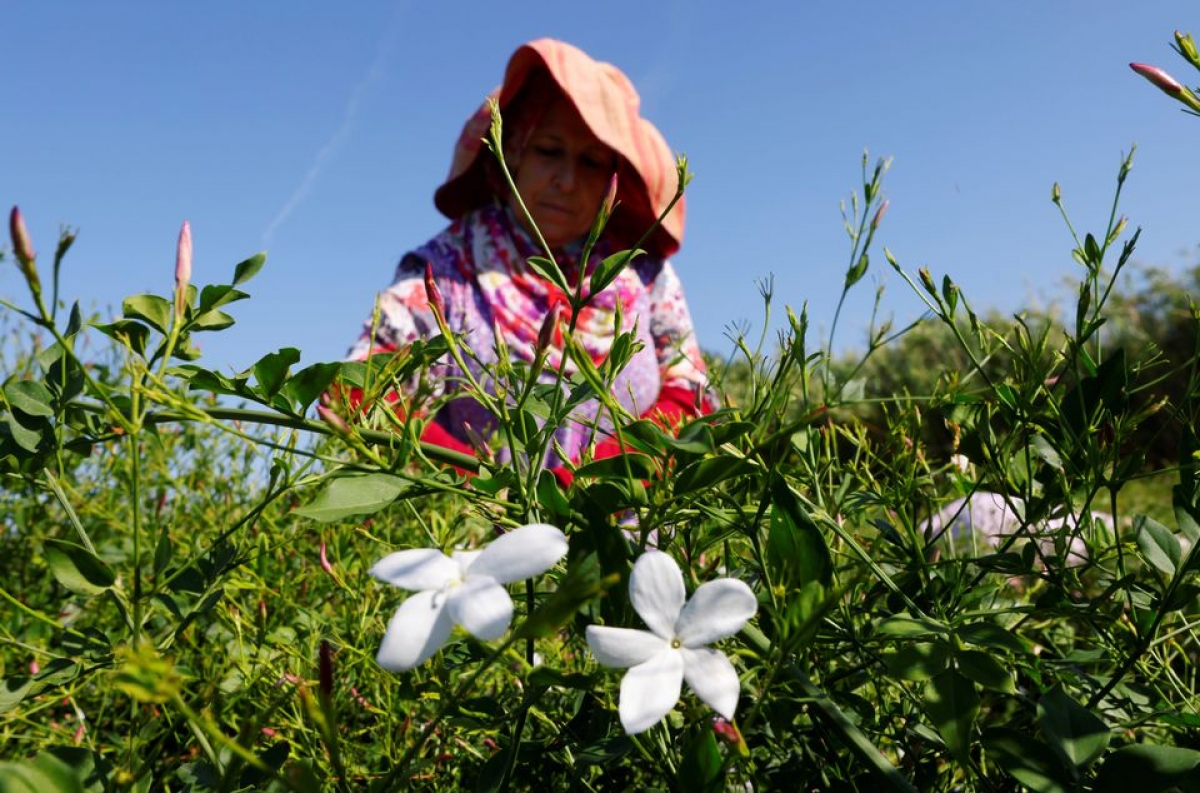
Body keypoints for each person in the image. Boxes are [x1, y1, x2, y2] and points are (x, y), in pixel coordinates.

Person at [347, 38, 712, 471]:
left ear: (612, 182)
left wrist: (603, 480)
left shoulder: (644, 275)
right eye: (549, 151)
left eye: (592, 161)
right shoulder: (447, 271)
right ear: (513, 153)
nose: (568, 180)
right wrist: (483, 487)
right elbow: (362, 393)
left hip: (632, 531)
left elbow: (690, 398)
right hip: (481, 530)